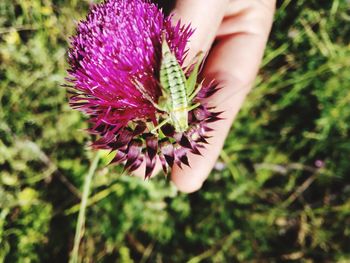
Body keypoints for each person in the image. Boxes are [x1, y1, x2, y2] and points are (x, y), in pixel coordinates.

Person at [135, 0, 276, 193]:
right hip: (171, 78)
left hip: (174, 85)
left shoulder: (184, 118)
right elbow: (163, 112)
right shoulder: (174, 122)